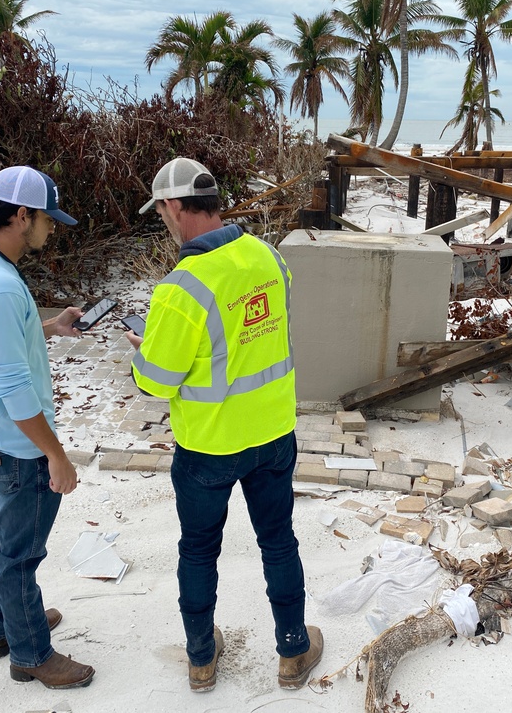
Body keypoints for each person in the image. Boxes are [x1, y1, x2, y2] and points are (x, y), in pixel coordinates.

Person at [126, 157, 323, 692]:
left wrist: (142, 355)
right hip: (274, 434)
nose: (163, 221)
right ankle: (292, 651)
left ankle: (201, 660)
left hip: (209, 447)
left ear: (172, 207)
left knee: (197, 549)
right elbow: (253, 339)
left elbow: (156, 382)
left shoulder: (181, 287)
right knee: (278, 541)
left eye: (161, 212)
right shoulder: (269, 257)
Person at [0, 166, 94, 690]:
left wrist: (50, 325)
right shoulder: (2, 288)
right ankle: (30, 654)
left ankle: (2, 629)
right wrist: (54, 454)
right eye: (47, 221)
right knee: (20, 556)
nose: (51, 230)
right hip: (18, 449)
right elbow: (13, 387)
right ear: (21, 216)